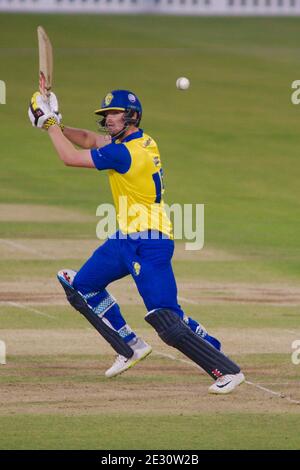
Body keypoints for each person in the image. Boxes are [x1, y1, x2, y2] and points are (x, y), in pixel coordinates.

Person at [28, 89, 245, 394]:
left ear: (132, 116)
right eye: (106, 115)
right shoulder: (139, 141)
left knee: (166, 319)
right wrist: (57, 124)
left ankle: (227, 371)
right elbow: (90, 140)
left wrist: (49, 125)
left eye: (114, 113)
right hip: (125, 240)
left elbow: (70, 157)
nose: (108, 119)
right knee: (82, 287)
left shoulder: (124, 153)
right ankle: (130, 345)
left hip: (149, 243)